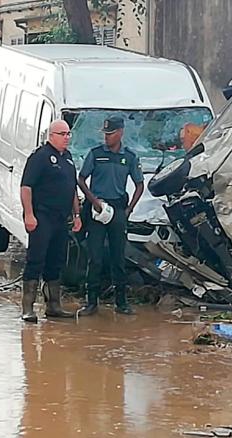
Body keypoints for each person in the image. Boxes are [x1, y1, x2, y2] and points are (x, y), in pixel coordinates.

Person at [77, 115, 144, 316]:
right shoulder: (96, 154)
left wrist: (129, 209)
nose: (107, 138)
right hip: (97, 210)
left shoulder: (130, 157)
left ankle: (121, 303)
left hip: (118, 209)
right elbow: (81, 179)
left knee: (118, 257)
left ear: (121, 132)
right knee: (95, 257)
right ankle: (91, 302)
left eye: (111, 134)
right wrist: (93, 201)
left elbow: (140, 185)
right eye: (105, 134)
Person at [19, 119, 82, 323]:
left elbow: (72, 188)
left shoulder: (68, 159)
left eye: (68, 134)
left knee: (56, 261)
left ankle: (53, 305)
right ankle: (27, 307)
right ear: (51, 135)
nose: (67, 138)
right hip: (42, 216)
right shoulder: (40, 158)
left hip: (61, 218)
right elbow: (26, 187)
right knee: (36, 259)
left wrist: (77, 214)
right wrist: (29, 214)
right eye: (62, 134)